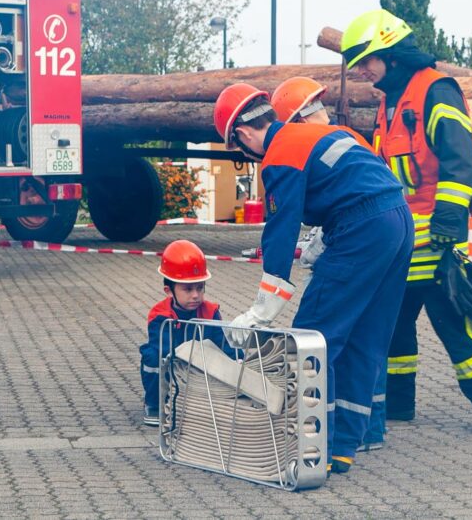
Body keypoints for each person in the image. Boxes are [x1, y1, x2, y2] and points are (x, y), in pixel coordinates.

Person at [213, 83, 412, 475]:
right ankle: (341, 449)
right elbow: (359, 181)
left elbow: (281, 231)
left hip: (362, 229)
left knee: (312, 340)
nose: (246, 155)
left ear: (242, 134)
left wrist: (261, 312)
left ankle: (309, 449)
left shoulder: (279, 154)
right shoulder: (331, 132)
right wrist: (328, 233)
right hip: (399, 221)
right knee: (365, 338)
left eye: (238, 148)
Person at [340, 8, 472, 434]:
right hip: (399, 241)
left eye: (367, 60)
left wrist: (448, 220)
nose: (363, 70)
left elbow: (458, 158)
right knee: (394, 329)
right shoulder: (390, 103)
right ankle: (399, 404)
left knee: (456, 322)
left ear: (392, 54)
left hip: (436, 238)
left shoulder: (437, 91)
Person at [139, 239, 228, 426]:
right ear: (168, 291)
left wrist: (239, 360)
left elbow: (224, 346)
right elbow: (165, 349)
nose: (195, 295)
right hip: (175, 365)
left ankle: (210, 402)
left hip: (201, 370)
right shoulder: (160, 316)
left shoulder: (210, 312)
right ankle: (155, 403)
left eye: (200, 288)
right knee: (153, 357)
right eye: (187, 289)